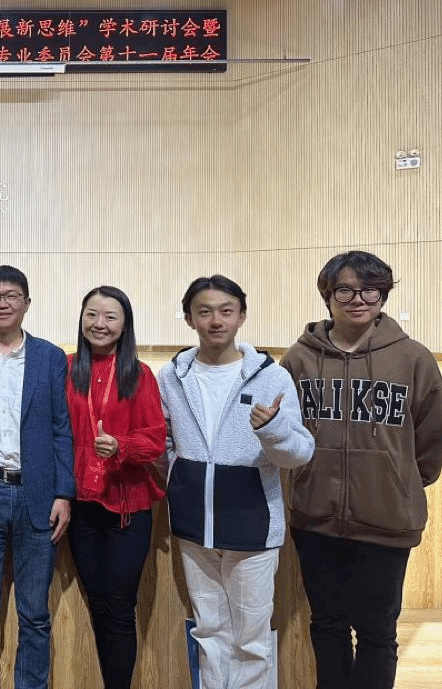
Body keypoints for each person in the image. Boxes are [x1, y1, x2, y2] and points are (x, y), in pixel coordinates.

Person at [280, 251, 442, 689]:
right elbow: (284, 433)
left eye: (370, 289)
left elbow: (431, 440)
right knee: (327, 625)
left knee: (377, 633)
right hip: (315, 518)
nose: (358, 299)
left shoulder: (413, 359)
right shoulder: (299, 360)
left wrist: (398, 481)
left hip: (386, 520)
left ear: (383, 295)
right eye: (345, 290)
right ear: (328, 296)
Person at [157, 275, 314, 689]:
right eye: (204, 312)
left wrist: (272, 430)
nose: (216, 321)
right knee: (209, 631)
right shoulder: (172, 376)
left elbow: (299, 452)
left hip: (252, 524)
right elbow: (164, 441)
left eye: (226, 311)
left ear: (241, 316)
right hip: (193, 525)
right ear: (189, 318)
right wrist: (177, 475)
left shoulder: (270, 377)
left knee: (251, 640)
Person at [0, 264, 75, 689]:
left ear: (26, 303)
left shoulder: (50, 357)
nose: (2, 303)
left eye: (11, 296)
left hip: (37, 494)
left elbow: (61, 428)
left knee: (35, 613)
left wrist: (64, 492)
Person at [65, 286, 166, 689]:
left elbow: (156, 440)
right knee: (98, 606)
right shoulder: (66, 369)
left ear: (125, 325)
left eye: (110, 317)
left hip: (127, 507)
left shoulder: (139, 375)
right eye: (92, 314)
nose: (99, 324)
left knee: (120, 609)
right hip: (80, 506)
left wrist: (121, 445)